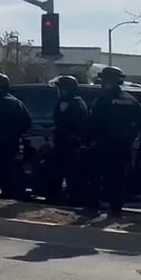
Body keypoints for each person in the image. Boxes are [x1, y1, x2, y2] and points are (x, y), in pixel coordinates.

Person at [87, 66, 141, 217]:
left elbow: (93, 122)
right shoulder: (129, 99)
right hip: (123, 147)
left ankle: (93, 208)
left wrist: (91, 140)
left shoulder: (103, 99)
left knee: (94, 176)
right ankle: (115, 210)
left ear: (108, 80)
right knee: (117, 180)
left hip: (103, 146)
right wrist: (131, 136)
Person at [49, 75, 89, 203]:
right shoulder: (79, 101)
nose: (57, 91)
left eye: (59, 87)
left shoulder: (65, 102)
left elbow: (61, 122)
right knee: (73, 173)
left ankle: (62, 198)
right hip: (75, 143)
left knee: (61, 172)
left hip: (65, 144)